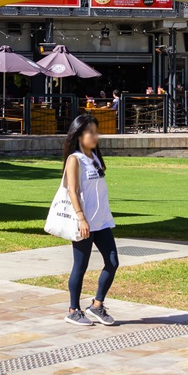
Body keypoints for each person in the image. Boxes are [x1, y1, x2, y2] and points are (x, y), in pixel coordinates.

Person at [62, 114, 118, 327]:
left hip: (102, 222)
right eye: (90, 132)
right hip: (84, 223)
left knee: (112, 262)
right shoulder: (74, 159)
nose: (95, 136)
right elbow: (72, 191)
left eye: (96, 131)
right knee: (80, 266)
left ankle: (97, 305)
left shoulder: (94, 158)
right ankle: (73, 310)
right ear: (79, 135)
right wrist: (81, 218)